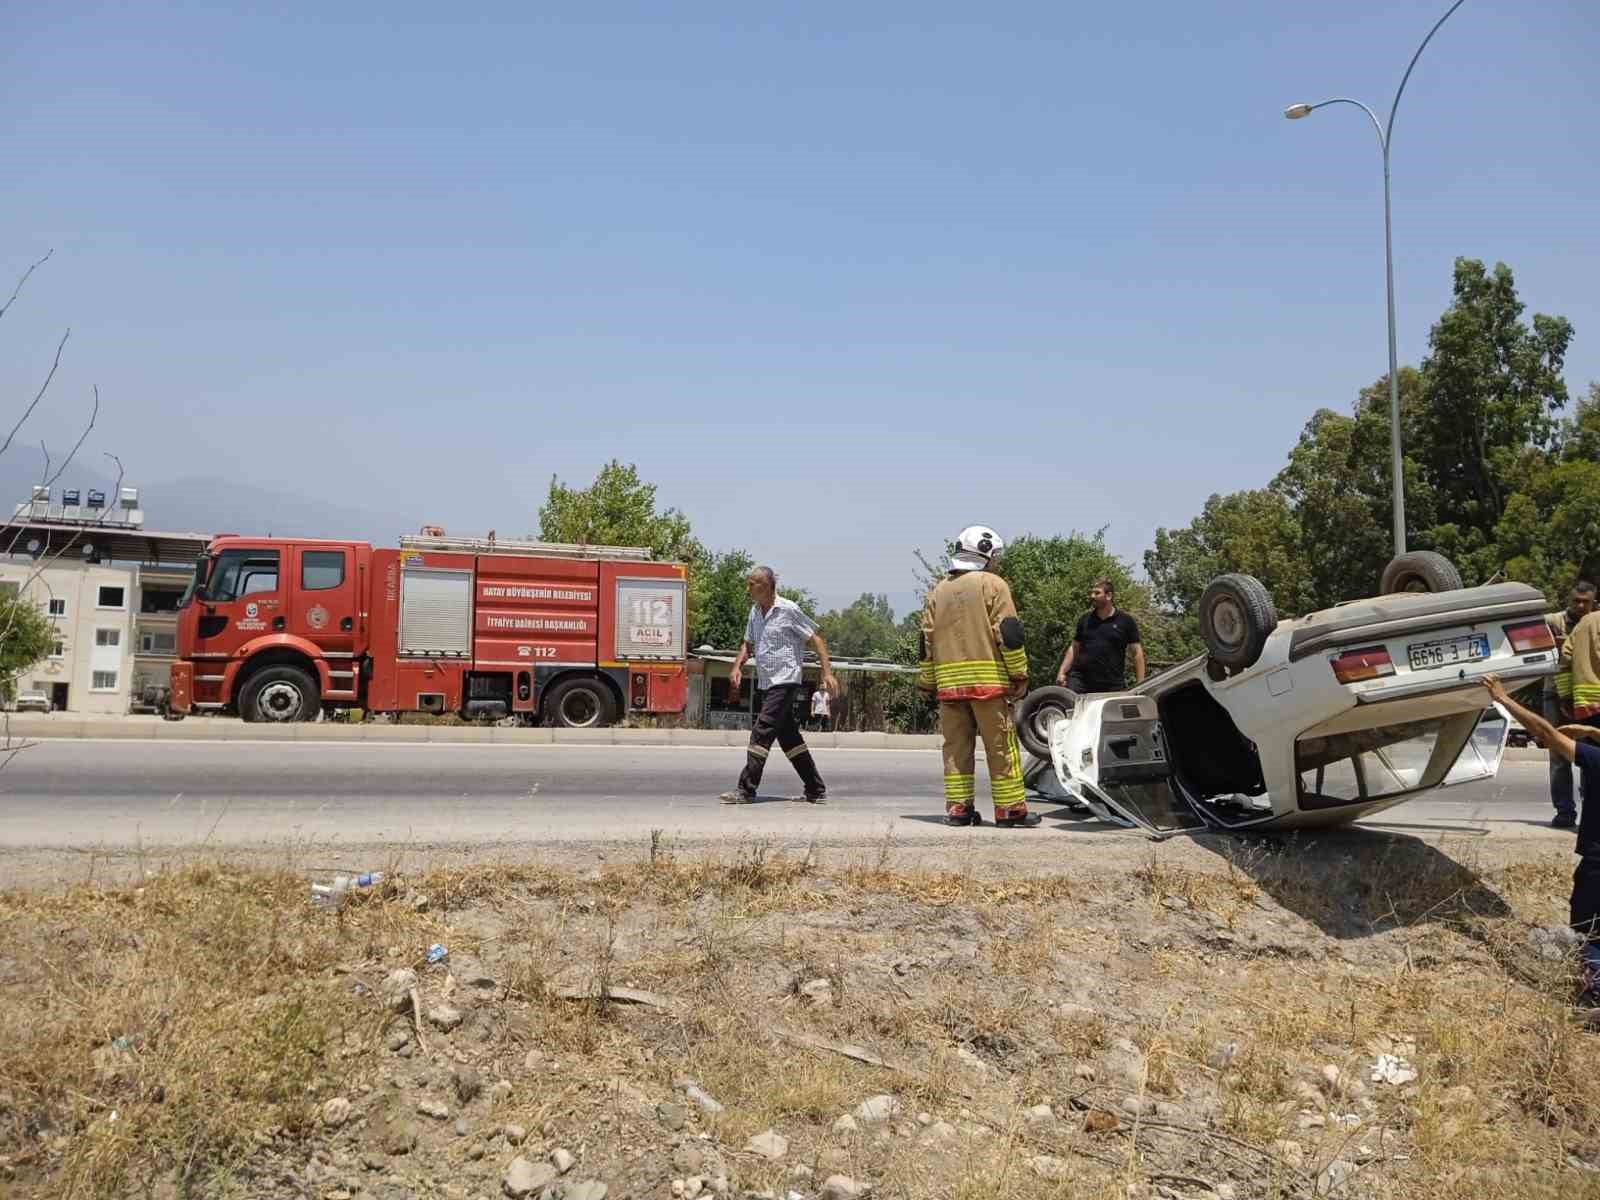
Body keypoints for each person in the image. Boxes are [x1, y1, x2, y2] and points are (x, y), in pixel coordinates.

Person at [1482, 673, 1600, 1003]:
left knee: (1590, 935)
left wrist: (1504, 699)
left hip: (1597, 870)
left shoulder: (1595, 760)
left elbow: (1546, 733)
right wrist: (1591, 732)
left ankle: (1594, 1005)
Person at [918, 525, 1037, 828]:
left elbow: (926, 642)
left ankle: (959, 810)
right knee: (1000, 746)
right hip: (989, 685)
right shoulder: (993, 584)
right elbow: (1009, 634)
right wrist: (1019, 673)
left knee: (956, 749)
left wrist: (928, 681)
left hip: (949, 688)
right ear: (986, 553)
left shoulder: (937, 591)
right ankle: (1010, 811)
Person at [721, 566, 837, 804]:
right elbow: (747, 644)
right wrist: (736, 666)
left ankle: (746, 790)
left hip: (785, 681)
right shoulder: (755, 612)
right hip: (767, 683)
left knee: (761, 731)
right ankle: (816, 790)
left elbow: (816, 639)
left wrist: (827, 673)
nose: (748, 588)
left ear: (765, 586)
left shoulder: (788, 609)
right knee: (790, 740)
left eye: (751, 584)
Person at [1546, 582, 1597, 827]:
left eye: (1585, 602)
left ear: (1593, 602)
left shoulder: (1594, 623)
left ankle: (1591, 813)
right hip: (1556, 696)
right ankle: (1565, 812)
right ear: (1569, 598)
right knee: (1558, 756)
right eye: (1576, 600)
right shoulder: (1553, 621)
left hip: (1588, 701)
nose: (1579, 605)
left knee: (1591, 758)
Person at [1055, 578, 1145, 694]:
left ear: (1109, 596)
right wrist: (1062, 672)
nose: (1092, 596)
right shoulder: (1085, 620)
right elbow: (1074, 647)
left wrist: (1140, 684)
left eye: (1097, 593)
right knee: (1072, 708)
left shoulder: (1125, 621)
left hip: (1112, 684)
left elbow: (1137, 653)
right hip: (1080, 681)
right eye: (1091, 593)